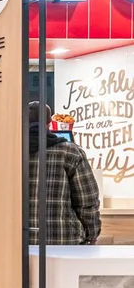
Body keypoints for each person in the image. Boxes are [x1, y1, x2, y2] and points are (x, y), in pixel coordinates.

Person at [28, 102, 101, 245]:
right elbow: (87, 201)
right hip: (64, 240)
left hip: (15, 243)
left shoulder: (8, 152)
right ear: (49, 123)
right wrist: (91, 234)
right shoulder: (70, 151)